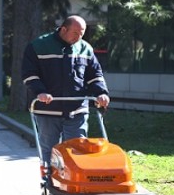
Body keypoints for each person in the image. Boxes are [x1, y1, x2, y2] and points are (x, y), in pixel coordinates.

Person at [22, 15, 110, 163]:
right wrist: (41, 92)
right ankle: (50, 174)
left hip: (77, 110)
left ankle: (75, 177)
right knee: (50, 150)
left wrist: (101, 93)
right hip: (48, 109)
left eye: (82, 33)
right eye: (75, 33)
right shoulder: (38, 46)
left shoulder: (85, 49)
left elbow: (95, 75)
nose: (79, 37)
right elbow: (29, 74)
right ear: (63, 29)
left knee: (77, 150)